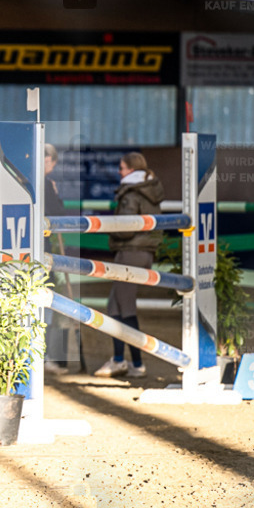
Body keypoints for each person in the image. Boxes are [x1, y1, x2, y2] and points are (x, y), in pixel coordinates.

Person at [94, 152, 164, 378]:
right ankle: (120, 360)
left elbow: (125, 228)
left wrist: (107, 224)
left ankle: (136, 362)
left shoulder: (131, 194)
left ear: (132, 170)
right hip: (142, 252)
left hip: (130, 252)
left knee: (125, 308)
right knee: (114, 306)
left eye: (122, 168)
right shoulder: (148, 189)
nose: (119, 171)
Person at [43, 144, 71, 375]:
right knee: (45, 305)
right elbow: (58, 215)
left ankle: (42, 356)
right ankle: (43, 357)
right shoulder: (44, 184)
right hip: (39, 256)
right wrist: (55, 194)